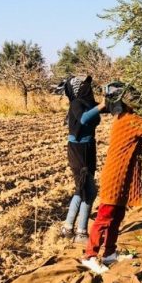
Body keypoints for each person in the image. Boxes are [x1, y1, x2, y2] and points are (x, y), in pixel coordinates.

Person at [81, 85, 142, 274]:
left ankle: (109, 254)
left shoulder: (126, 118)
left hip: (121, 175)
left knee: (117, 216)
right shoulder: (130, 120)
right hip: (114, 176)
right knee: (104, 216)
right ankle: (89, 256)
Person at [60, 75, 105, 243]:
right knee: (89, 192)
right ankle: (81, 233)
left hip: (89, 148)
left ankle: (68, 228)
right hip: (78, 150)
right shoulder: (77, 104)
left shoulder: (88, 103)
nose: (88, 87)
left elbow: (106, 108)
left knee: (81, 189)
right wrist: (102, 105)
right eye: (85, 85)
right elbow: (85, 119)